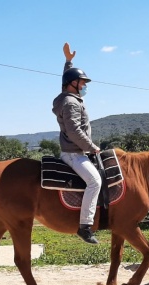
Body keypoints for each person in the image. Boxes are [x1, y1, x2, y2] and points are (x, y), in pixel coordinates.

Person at [52, 42, 101, 244]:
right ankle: (85, 226)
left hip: (75, 151)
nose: (84, 86)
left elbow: (66, 79)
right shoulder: (71, 102)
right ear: (72, 84)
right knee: (95, 181)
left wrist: (68, 61)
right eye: (81, 83)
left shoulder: (67, 96)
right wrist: (92, 147)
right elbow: (74, 130)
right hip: (75, 154)